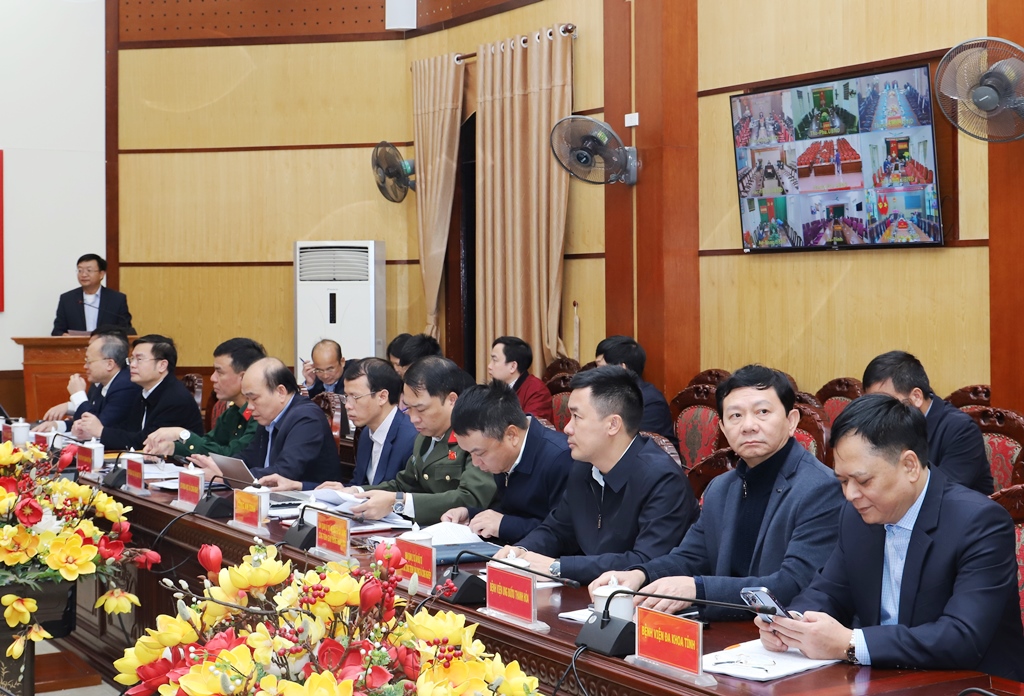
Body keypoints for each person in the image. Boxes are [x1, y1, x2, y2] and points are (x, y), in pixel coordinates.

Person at [758, 393, 1024, 681]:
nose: (850, 494)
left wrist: (850, 643)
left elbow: (962, 637)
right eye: (843, 481)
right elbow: (828, 591)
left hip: (972, 683)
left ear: (909, 466)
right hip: (881, 676)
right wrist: (793, 624)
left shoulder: (980, 523)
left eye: (863, 481)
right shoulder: (856, 515)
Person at [590, 364, 844, 620]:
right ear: (722, 428)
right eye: (736, 416)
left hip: (784, 631)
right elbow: (690, 557)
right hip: (726, 627)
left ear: (791, 422)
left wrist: (697, 589)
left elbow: (793, 585)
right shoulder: (721, 487)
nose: (748, 426)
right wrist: (639, 575)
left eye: (763, 412)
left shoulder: (820, 488)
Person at [496, 366, 699, 584]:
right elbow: (557, 530)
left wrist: (558, 567)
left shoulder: (662, 479)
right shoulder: (583, 466)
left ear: (613, 424)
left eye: (576, 417)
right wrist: (521, 551)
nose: (567, 428)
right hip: (592, 591)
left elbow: (645, 562)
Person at [326, 356, 496, 526]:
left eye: (421, 409)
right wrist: (355, 492)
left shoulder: (476, 436)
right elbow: (404, 484)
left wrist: (400, 502)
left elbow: (471, 498)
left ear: (452, 400)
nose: (413, 418)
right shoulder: (424, 438)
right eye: (408, 408)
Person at [441, 380, 572, 544]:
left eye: (480, 453)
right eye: (469, 454)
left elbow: (564, 533)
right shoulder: (504, 454)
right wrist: (471, 516)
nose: (475, 462)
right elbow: (511, 512)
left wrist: (504, 525)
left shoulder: (561, 459)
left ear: (511, 435)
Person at [193, 357, 340, 489]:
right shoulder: (269, 415)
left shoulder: (306, 418)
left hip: (309, 503)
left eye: (254, 399)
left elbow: (283, 472)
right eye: (247, 399)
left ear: (280, 392)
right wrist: (220, 466)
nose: (249, 407)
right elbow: (249, 456)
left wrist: (226, 476)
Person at [862, 350, 993, 494]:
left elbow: (942, 492)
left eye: (885, 403)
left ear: (916, 397)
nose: (878, 412)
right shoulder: (883, 424)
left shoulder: (962, 430)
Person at [75, 334, 204, 450]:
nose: (132, 365)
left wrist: (101, 432)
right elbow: (128, 431)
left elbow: (146, 441)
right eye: (131, 359)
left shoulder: (175, 398)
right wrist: (90, 432)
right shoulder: (143, 392)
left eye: (139, 359)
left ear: (162, 365)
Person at [142, 338, 266, 457]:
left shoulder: (261, 414)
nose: (212, 378)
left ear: (243, 377)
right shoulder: (232, 412)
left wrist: (182, 434)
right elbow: (209, 445)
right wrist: (171, 447)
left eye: (220, 372)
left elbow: (233, 456)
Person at [33, 331, 140, 434]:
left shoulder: (125, 386)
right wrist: (57, 425)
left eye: (89, 361)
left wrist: (78, 395)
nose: (85, 366)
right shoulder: (103, 384)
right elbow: (93, 419)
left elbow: (97, 427)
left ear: (109, 364)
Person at [342, 358, 417, 487]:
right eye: (346, 397)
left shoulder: (411, 439)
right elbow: (359, 484)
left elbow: (404, 492)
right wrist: (340, 490)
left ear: (382, 397)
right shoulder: (366, 433)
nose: (347, 405)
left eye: (355, 397)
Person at [595, 335, 677, 449]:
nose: (595, 373)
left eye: (600, 366)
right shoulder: (606, 395)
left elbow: (641, 446)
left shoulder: (650, 401)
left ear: (621, 368)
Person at [51, 254, 135, 336]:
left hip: (107, 345)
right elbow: (57, 331)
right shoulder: (67, 299)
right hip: (76, 345)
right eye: (80, 270)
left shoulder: (117, 299)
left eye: (89, 270)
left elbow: (126, 330)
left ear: (101, 274)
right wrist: (64, 335)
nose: (83, 275)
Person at [487, 336, 553, 422]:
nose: (489, 366)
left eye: (495, 360)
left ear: (513, 366)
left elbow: (530, 427)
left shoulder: (537, 390)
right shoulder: (493, 389)